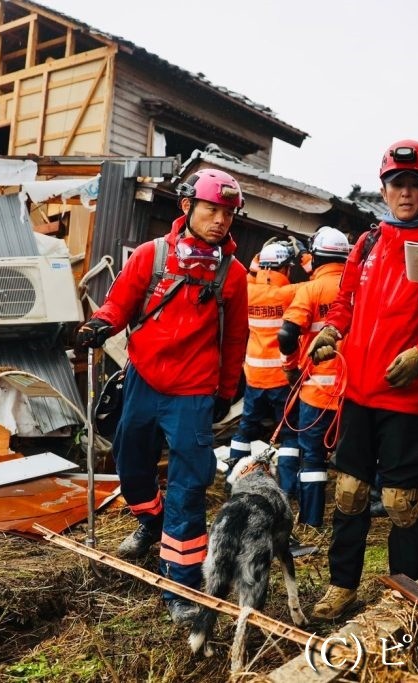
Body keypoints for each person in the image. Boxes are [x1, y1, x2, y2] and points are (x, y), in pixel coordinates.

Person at [307, 140, 418, 619]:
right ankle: (342, 586)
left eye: (415, 184)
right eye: (397, 183)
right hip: (358, 392)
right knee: (349, 492)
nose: (406, 192)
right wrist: (332, 331)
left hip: (407, 397)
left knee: (401, 500)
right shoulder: (367, 243)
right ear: (384, 189)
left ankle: (408, 594)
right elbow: (345, 303)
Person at [76, 168, 248, 624]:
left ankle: (181, 585)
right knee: (131, 467)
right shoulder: (152, 257)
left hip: (193, 393)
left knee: (189, 489)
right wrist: (101, 325)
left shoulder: (233, 275)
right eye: (211, 209)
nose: (219, 221)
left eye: (227, 214)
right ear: (187, 207)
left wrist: (225, 392)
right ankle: (150, 522)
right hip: (144, 381)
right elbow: (119, 303)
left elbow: (235, 341)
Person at [278, 226, 352, 527]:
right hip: (354, 390)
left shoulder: (309, 290)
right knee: (353, 459)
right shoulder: (358, 288)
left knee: (312, 458)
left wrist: (290, 367)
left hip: (316, 392)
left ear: (316, 256)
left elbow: (287, 334)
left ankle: (311, 523)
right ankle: (350, 522)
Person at [227, 239, 302, 496]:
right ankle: (289, 488)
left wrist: (258, 263)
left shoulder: (247, 291)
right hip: (282, 378)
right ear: (286, 269)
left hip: (254, 376)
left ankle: (233, 480)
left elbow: (250, 274)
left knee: (246, 428)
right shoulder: (291, 293)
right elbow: (319, 286)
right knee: (289, 434)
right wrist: (303, 255)